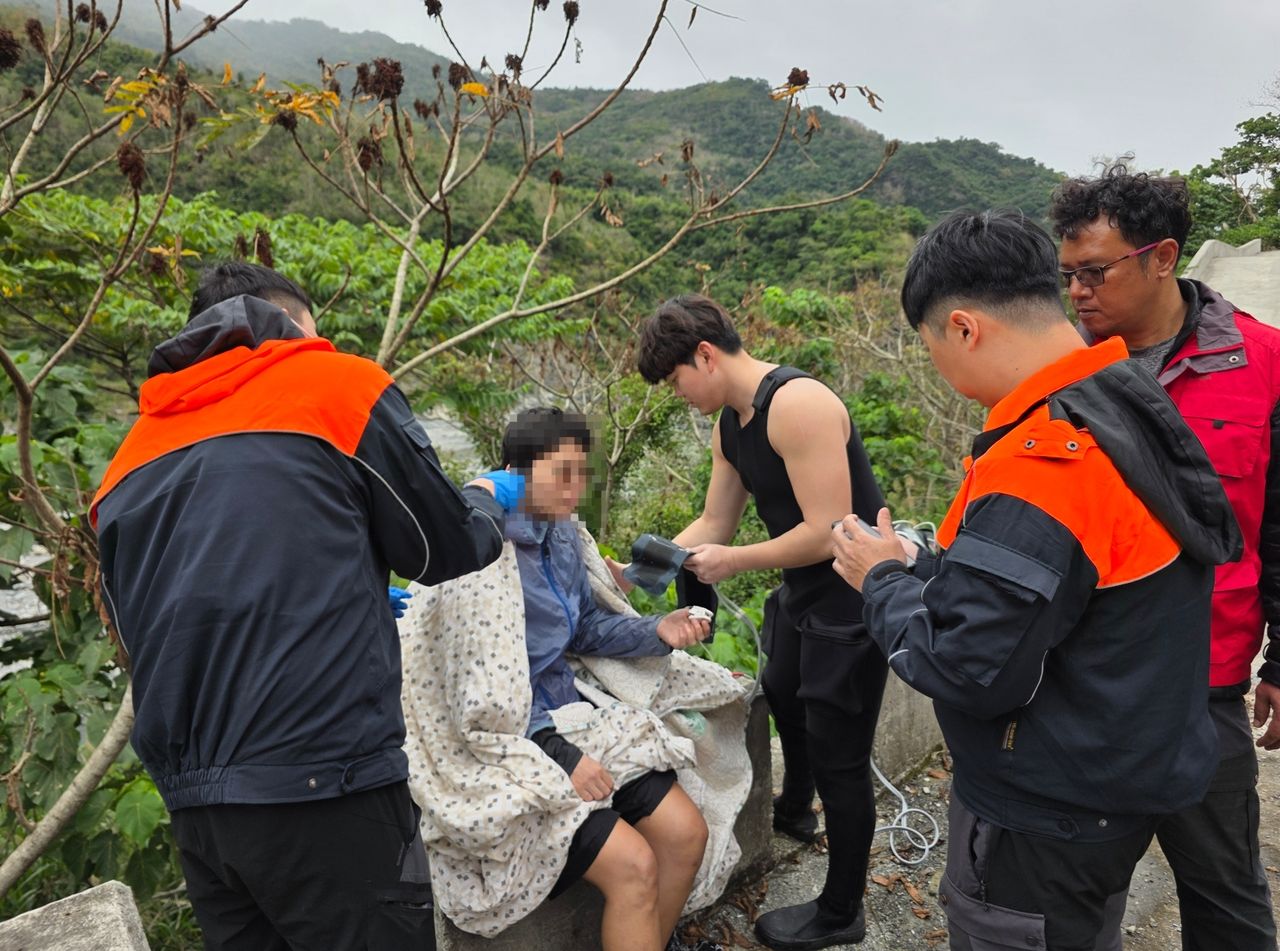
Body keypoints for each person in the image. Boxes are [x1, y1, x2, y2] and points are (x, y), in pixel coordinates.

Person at [831, 210, 1241, 951]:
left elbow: (969, 667)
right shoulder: (1120, 395)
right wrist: (928, 566)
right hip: (1118, 765)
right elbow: (1060, 587)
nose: (940, 369)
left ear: (962, 327)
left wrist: (881, 578)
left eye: (931, 348)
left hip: (1048, 810)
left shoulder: (1042, 463)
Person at [91, 262, 519, 950]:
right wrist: (482, 496)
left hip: (200, 814)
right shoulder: (336, 386)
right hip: (328, 787)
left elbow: (139, 626)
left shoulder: (128, 460)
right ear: (291, 323)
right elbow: (443, 548)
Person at [1052, 169, 1280, 950]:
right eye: (1067, 275)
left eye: (1095, 272)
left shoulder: (1263, 363)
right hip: (1081, 692)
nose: (1077, 293)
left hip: (1204, 692)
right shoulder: (1056, 374)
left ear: (1163, 257)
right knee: (1068, 909)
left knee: (1229, 905)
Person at [632, 295, 889, 950]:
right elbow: (714, 525)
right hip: (801, 596)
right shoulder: (731, 424)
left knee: (842, 757)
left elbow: (830, 532)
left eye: (676, 380)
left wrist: (733, 560)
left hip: (852, 599)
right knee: (781, 690)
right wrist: (641, 567)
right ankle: (796, 807)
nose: (679, 395)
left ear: (706, 355)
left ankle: (841, 909)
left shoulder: (799, 405)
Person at [500, 407, 718, 951]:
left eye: (582, 473)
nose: (575, 491)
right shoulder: (484, 548)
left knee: (686, 835)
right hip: (517, 741)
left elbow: (586, 628)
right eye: (562, 474)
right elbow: (471, 680)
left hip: (571, 714)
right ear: (513, 472)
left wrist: (657, 631)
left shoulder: (564, 534)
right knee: (634, 867)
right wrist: (556, 752)